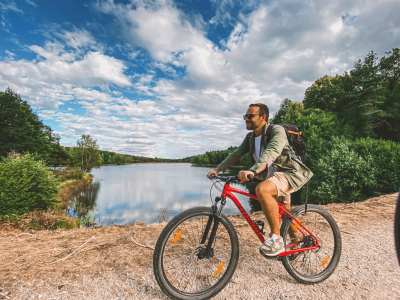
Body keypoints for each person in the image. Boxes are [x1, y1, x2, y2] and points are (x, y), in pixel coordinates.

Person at [207, 103, 313, 256]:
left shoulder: (277, 131)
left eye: (250, 116)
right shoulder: (250, 137)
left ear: (263, 117)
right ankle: (296, 242)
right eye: (245, 116)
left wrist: (253, 171)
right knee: (286, 212)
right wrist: (217, 169)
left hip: (288, 173)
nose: (246, 119)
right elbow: (236, 154)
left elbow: (271, 152)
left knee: (262, 189)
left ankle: (276, 240)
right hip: (272, 176)